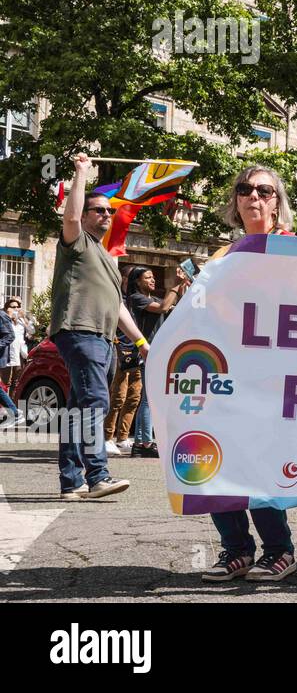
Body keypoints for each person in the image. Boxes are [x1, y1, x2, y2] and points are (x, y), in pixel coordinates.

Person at [198, 165, 297, 583]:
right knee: (215, 458)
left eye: (265, 190)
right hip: (225, 375)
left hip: (274, 375)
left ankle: (279, 549)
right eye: (245, 189)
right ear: (235, 201)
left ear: (278, 203)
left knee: (260, 462)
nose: (254, 196)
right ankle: (236, 549)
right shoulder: (221, 257)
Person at [51, 153, 149, 501]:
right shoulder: (76, 243)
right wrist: (81, 173)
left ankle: (71, 482)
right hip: (81, 331)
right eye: (100, 210)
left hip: (103, 339)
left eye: (109, 211)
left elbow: (118, 306)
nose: (107, 215)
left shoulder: (105, 257)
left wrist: (141, 343)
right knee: (94, 402)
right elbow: (73, 214)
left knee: (78, 408)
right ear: (87, 215)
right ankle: (98, 475)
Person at [104, 268, 188, 455]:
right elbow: (164, 308)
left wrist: (182, 287)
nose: (152, 280)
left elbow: (174, 310)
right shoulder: (137, 298)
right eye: (147, 277)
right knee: (147, 399)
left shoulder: (154, 299)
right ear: (137, 282)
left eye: (152, 276)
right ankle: (143, 443)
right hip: (146, 352)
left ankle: (142, 442)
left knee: (146, 398)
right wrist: (174, 285)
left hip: (158, 351)